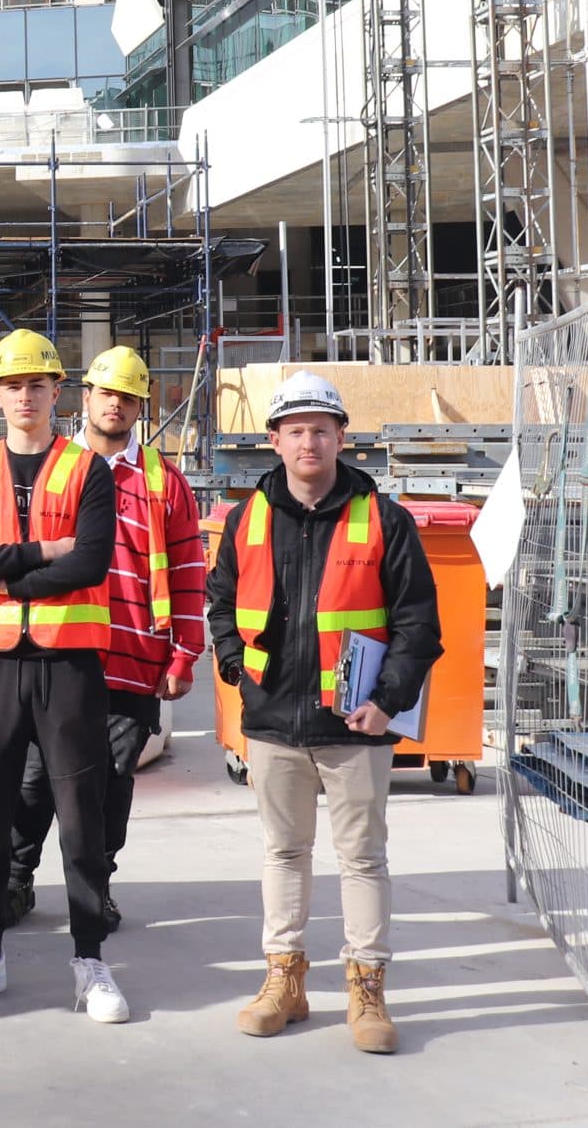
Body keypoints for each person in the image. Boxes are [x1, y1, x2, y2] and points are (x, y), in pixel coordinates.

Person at [207, 370, 441, 1055]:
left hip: (354, 726)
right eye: (295, 428)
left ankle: (367, 988)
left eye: (321, 427)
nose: (309, 439)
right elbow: (220, 602)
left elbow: (418, 624)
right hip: (274, 722)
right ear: (274, 440)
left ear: (343, 437)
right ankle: (285, 980)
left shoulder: (383, 518)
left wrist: (387, 700)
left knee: (362, 857)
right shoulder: (246, 518)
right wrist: (237, 674)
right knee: (283, 851)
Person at [0, 328, 127, 1024]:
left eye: (38, 383)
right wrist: (44, 552)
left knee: (81, 818)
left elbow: (92, 562)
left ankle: (90, 960)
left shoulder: (86, 470)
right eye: (13, 384)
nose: (25, 394)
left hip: (68, 665)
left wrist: (4, 572)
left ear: (57, 390)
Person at [9, 346, 205, 933]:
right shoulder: (54, 468)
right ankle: (16, 883)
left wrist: (184, 654)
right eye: (106, 393)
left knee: (110, 784)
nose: (115, 404)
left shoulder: (164, 482)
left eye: (128, 397)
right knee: (36, 777)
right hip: (60, 654)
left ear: (139, 406)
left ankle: (96, 889)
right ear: (85, 398)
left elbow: (191, 570)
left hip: (133, 660)